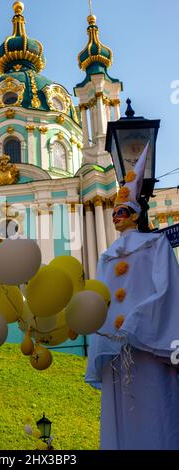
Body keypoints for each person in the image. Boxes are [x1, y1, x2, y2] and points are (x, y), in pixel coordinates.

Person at [85, 142, 179, 450]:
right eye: (113, 212)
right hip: (116, 351)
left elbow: (168, 291)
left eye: (122, 211)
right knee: (120, 417)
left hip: (149, 345)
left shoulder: (155, 246)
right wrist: (103, 333)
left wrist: (136, 323)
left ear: (136, 214)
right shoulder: (106, 257)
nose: (115, 217)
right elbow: (102, 300)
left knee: (156, 410)